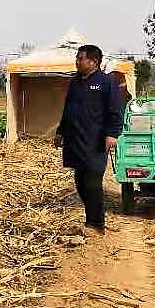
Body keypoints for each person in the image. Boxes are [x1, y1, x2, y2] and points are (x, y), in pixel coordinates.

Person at [55, 44, 125, 235]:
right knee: (80, 182)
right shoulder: (75, 82)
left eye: (81, 58)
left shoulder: (106, 82)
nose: (77, 61)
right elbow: (68, 110)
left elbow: (116, 110)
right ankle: (90, 220)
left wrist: (112, 133)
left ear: (94, 61)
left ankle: (96, 225)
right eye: (77, 57)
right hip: (75, 140)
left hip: (95, 142)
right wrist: (60, 131)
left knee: (92, 183)